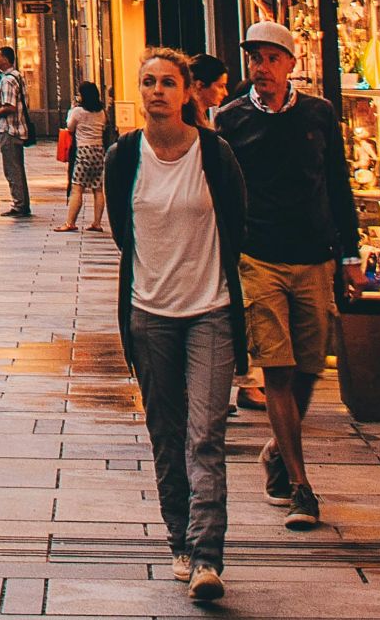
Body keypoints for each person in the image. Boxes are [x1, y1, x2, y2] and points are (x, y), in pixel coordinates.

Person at [107, 48, 248, 602]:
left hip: (210, 310)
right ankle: (180, 542)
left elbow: (237, 222)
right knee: (166, 434)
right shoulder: (125, 157)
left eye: (168, 82)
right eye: (148, 82)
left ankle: (208, 556)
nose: (158, 90)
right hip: (149, 314)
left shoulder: (216, 154)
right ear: (138, 91)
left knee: (205, 436)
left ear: (187, 91)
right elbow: (124, 231)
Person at [215, 22, 358, 532]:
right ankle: (301, 486)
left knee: (311, 365)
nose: (262, 67)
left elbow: (337, 184)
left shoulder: (318, 114)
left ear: (291, 63)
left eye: (272, 58)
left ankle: (277, 449)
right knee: (276, 367)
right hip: (260, 257)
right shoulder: (230, 120)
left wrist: (349, 254)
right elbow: (223, 194)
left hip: (315, 255)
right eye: (255, 58)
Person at [192, 52, 264, 412]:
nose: (222, 92)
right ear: (199, 87)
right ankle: (241, 382)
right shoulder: (204, 129)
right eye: (218, 86)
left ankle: (234, 382)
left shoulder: (211, 122)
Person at [0, 46, 32, 217]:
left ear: (6, 59)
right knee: (17, 167)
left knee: (12, 168)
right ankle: (22, 203)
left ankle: (19, 204)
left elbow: (9, 106)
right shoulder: (18, 76)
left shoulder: (7, 80)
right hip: (17, 128)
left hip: (10, 129)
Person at [56, 82, 108, 232]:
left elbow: (70, 127)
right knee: (98, 189)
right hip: (98, 151)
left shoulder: (78, 111)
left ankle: (70, 222)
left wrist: (72, 109)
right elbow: (103, 128)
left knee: (77, 188)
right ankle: (97, 223)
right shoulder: (101, 112)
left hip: (83, 151)